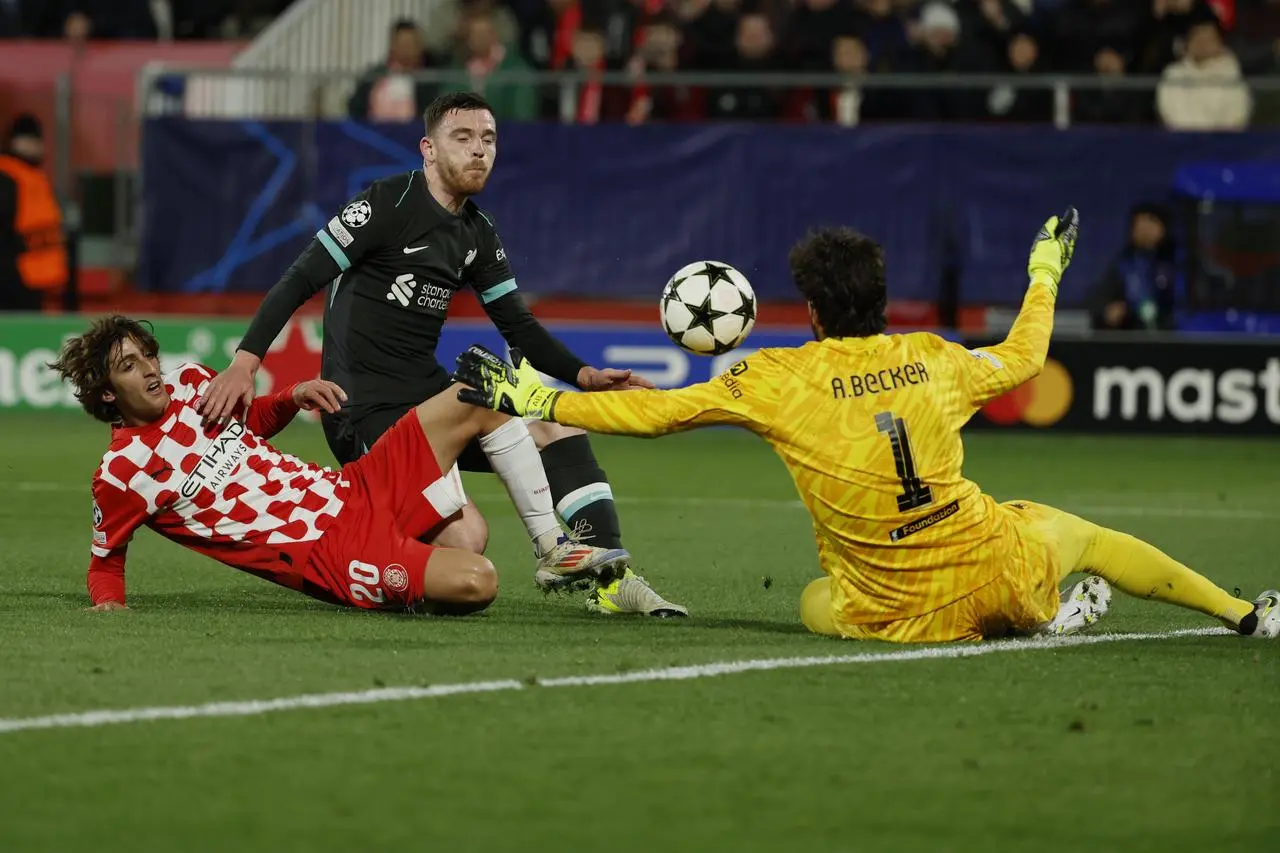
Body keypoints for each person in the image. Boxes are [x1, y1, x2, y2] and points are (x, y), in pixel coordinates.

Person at [452, 209, 1279, 643]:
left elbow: (653, 414)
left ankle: (1024, 621)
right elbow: (1027, 356)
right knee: (1078, 535)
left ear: (809, 310)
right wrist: (1044, 267)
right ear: (882, 296)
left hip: (891, 610)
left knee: (817, 600)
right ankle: (1243, 611)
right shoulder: (936, 357)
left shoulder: (772, 377)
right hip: (994, 563)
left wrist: (534, 393)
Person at [197, 91, 685, 617]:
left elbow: (517, 324)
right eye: (464, 138)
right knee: (472, 517)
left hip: (426, 404)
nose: (479, 151)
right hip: (365, 415)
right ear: (428, 149)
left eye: (489, 139)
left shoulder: (477, 232)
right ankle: (391, 545)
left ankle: (610, 582)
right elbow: (299, 278)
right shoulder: (385, 205)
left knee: (553, 426)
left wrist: (584, 374)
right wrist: (246, 362)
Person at [45, 313, 586, 615]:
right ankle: (397, 573)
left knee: (477, 394)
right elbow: (105, 562)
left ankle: (551, 549)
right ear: (107, 393)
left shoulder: (191, 382)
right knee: (477, 578)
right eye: (129, 365)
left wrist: (292, 396)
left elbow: (248, 421)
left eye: (147, 354)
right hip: (335, 552)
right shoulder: (122, 473)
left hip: (353, 488)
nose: (149, 368)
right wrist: (109, 607)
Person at [0, 114, 68, 312]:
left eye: (36, 141)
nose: (34, 146)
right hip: (14, 279)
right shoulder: (7, 176)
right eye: (28, 140)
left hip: (34, 279)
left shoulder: (33, 176)